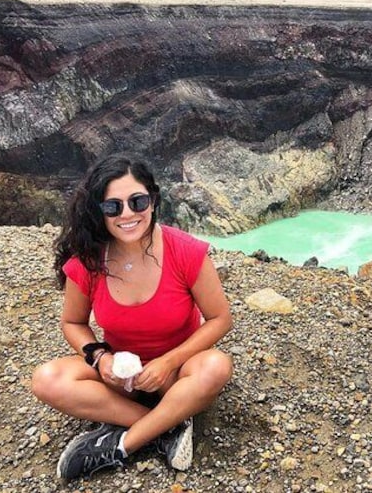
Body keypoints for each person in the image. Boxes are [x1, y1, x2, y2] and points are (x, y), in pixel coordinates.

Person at [31, 153, 233, 481]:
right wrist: (99, 357)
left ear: (153, 201)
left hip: (176, 375)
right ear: (100, 211)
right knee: (46, 379)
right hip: (123, 378)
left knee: (216, 367)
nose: (127, 214)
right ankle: (165, 427)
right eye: (113, 206)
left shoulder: (186, 251)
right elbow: (73, 323)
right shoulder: (89, 259)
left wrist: (168, 363)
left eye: (137, 202)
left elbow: (220, 318)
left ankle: (123, 443)